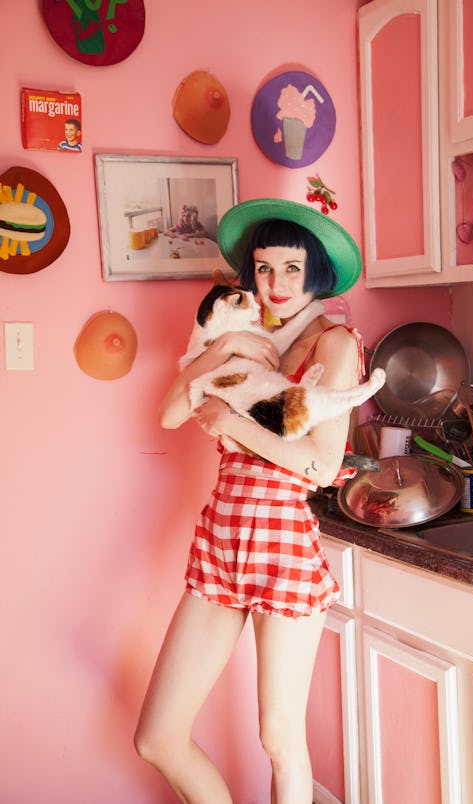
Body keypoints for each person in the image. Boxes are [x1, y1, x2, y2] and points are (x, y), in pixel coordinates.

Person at [134, 198, 363, 803]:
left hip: (283, 543)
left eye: (292, 269)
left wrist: (232, 425)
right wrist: (219, 353)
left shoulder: (335, 344)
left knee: (279, 738)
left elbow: (321, 465)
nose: (276, 283)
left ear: (316, 272)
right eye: (263, 268)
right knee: (158, 737)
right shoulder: (245, 335)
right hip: (222, 538)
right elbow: (168, 415)